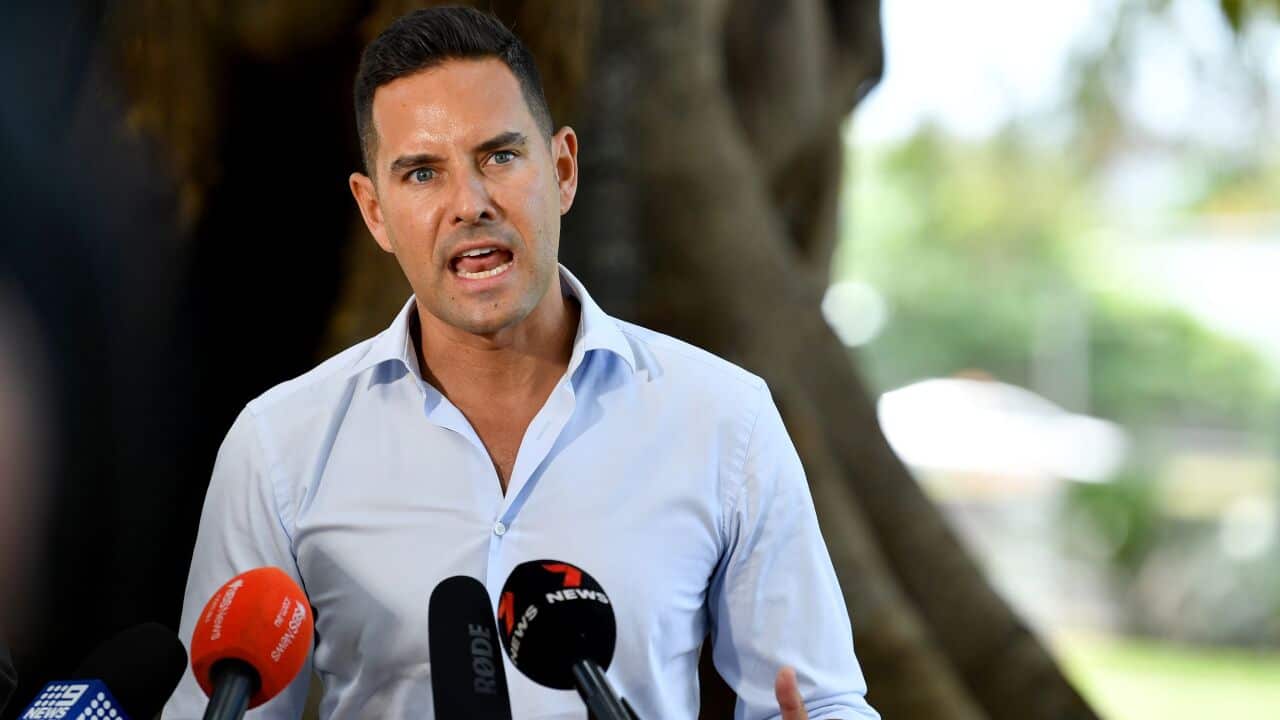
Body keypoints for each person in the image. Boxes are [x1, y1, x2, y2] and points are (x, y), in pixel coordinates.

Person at [162, 7, 878, 719]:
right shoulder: (279, 444)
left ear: (563, 170)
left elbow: (820, 699)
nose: (468, 204)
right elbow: (221, 708)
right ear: (374, 211)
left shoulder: (726, 419)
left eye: (499, 157)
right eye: (421, 174)